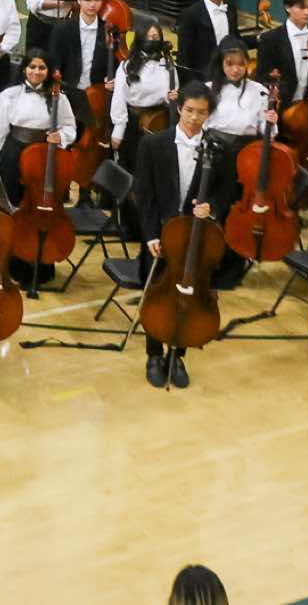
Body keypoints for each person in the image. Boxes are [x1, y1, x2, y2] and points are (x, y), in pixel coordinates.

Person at [132, 83, 234, 389]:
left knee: (190, 294)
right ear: (179, 109)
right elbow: (144, 194)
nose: (193, 117)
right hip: (161, 234)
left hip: (196, 236)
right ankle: (153, 355)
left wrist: (211, 207)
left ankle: (177, 355)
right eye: (189, 110)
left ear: (209, 114)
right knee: (156, 295)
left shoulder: (219, 149)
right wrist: (151, 234)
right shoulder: (153, 144)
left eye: (201, 112)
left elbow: (227, 192)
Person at [0, 50, 78, 288]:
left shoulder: (59, 97)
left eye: (41, 67)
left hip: (45, 158)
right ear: (24, 69)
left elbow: (70, 128)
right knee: (16, 210)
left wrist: (60, 137)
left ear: (48, 71)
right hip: (14, 155)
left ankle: (43, 263)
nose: (36, 72)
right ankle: (14, 263)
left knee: (44, 209)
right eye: (32, 67)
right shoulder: (9, 96)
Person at [45, 0, 117, 139]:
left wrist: (112, 79)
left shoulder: (109, 30)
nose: (92, 4)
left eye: (97, 0)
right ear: (78, 0)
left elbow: (115, 62)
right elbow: (54, 62)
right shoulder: (62, 30)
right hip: (69, 92)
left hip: (97, 93)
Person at [109, 20, 178, 177]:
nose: (152, 40)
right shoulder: (127, 65)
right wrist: (118, 130)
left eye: (156, 37)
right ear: (140, 39)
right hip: (134, 123)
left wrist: (172, 98)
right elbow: (119, 98)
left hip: (159, 123)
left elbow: (173, 93)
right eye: (148, 37)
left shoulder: (168, 65)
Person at [255, 0, 308, 113]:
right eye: (301, 7)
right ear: (288, 8)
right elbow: (262, 77)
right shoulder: (270, 38)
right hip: (279, 106)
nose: (307, 12)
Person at [174, 0, 241, 81]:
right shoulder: (191, 14)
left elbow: (236, 39)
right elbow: (184, 55)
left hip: (228, 73)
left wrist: (259, 38)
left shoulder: (231, 10)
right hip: (203, 77)